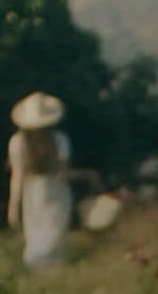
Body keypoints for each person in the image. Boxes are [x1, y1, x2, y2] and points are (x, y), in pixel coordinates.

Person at [7, 91, 100, 267]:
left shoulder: (18, 142)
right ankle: (52, 276)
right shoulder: (59, 139)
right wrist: (88, 175)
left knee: (36, 236)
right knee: (53, 236)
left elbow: (17, 178)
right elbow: (63, 174)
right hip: (56, 190)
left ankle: (40, 279)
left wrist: (13, 207)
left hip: (32, 192)